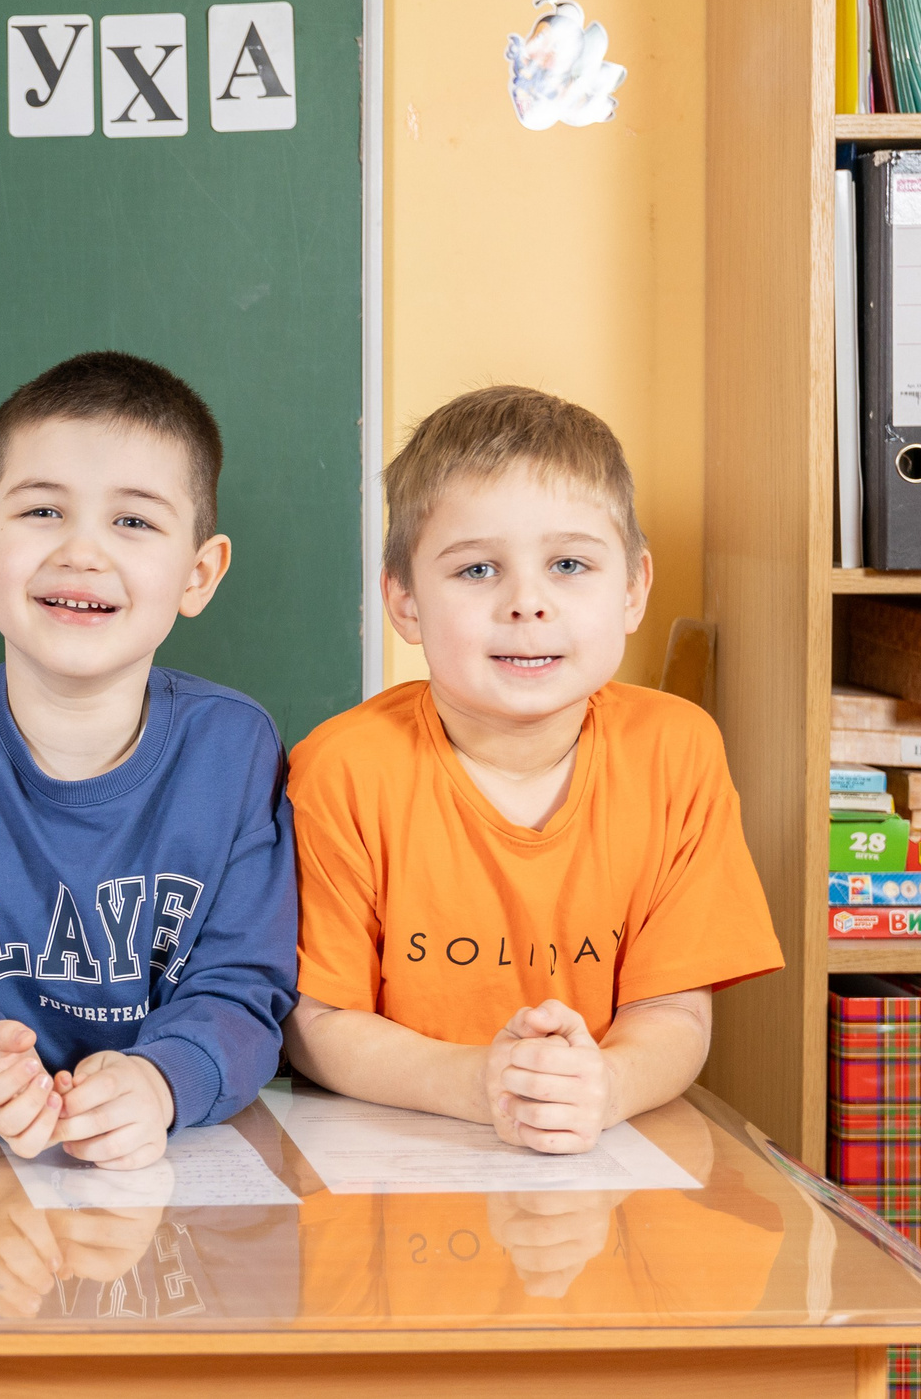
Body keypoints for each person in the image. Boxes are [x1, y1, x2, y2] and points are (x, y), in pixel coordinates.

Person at [285, 386, 782, 1152]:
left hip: (601, 1155)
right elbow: (313, 1022)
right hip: (391, 1161)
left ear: (632, 588)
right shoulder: (341, 769)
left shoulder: (677, 752)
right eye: (478, 569)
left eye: (569, 563)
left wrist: (604, 1085)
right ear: (406, 602)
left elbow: (676, 1011)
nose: (527, 602)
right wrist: (485, 1082)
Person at [0, 352, 296, 1171]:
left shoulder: (237, 750)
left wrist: (162, 1081)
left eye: (134, 521)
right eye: (43, 510)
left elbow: (244, 987)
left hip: (176, 1170)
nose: (82, 552)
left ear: (199, 572)